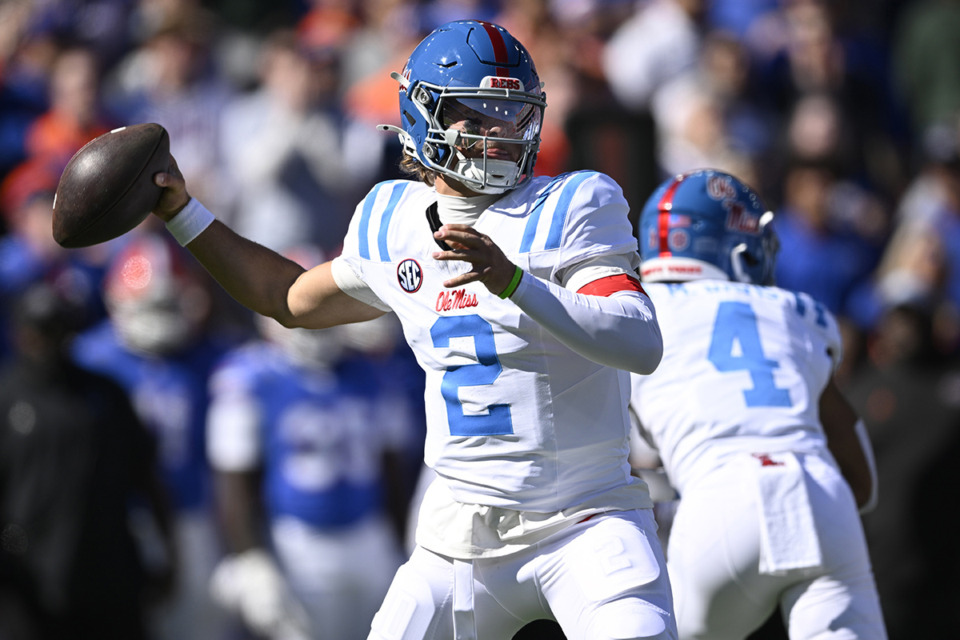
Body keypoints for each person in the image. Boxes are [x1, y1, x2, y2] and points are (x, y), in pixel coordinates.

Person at [149, 18, 675, 640]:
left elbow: (639, 341)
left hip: (586, 521)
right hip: (458, 542)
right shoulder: (390, 218)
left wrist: (514, 284)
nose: (501, 134)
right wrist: (182, 213)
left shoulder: (572, 204)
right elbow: (286, 297)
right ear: (424, 117)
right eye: (477, 114)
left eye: (513, 115)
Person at [627, 169, 887, 639]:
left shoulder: (633, 317)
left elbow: (631, 469)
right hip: (818, 492)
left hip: (716, 499)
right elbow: (862, 483)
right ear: (738, 247)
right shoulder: (798, 311)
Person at [205, 247, 416, 640]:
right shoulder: (251, 377)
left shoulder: (372, 372)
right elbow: (234, 481)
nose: (315, 325)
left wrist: (402, 542)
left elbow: (392, 470)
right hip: (296, 542)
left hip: (369, 535)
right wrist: (250, 558)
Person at [0, 281, 176, 640]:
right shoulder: (5, 399)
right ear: (20, 332)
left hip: (108, 577)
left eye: (58, 330)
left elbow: (146, 479)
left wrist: (167, 552)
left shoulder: (105, 394)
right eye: (40, 330)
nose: (49, 342)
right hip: (28, 583)